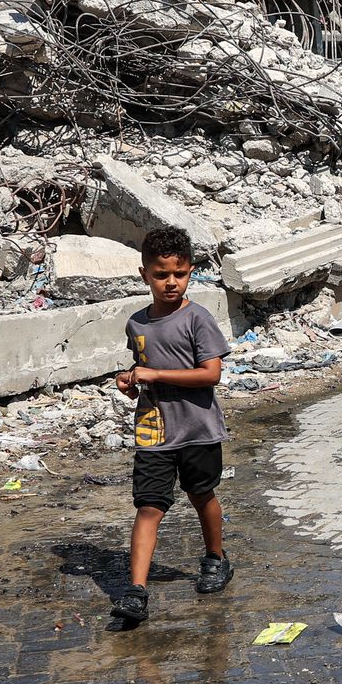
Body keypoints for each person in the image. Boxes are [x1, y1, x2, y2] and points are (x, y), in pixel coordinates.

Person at [110, 226, 234, 623]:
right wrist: (131, 381)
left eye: (178, 275)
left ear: (191, 272)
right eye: (161, 274)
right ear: (144, 274)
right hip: (153, 431)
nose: (170, 282)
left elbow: (210, 374)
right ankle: (136, 591)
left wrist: (154, 375)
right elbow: (143, 370)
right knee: (148, 507)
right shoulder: (137, 324)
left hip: (197, 429)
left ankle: (215, 558)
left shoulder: (197, 318)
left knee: (202, 496)